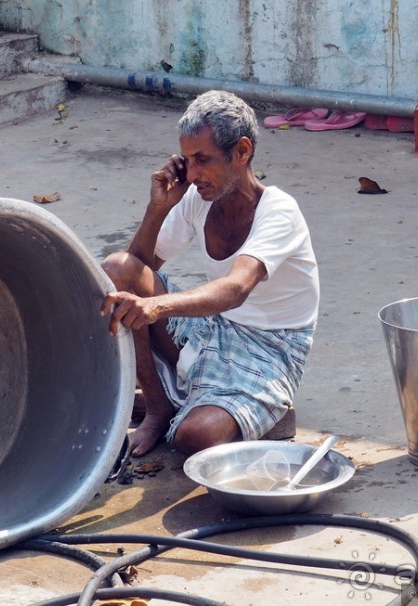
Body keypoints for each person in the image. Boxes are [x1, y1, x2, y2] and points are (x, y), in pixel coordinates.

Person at [100, 90, 319, 458]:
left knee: (195, 437)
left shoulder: (280, 211)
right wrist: (158, 208)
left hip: (269, 350)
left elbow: (235, 288)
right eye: (186, 161)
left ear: (242, 151)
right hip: (213, 328)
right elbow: (132, 269)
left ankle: (198, 403)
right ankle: (158, 406)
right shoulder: (196, 196)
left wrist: (156, 307)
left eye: (203, 160)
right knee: (116, 269)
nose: (193, 175)